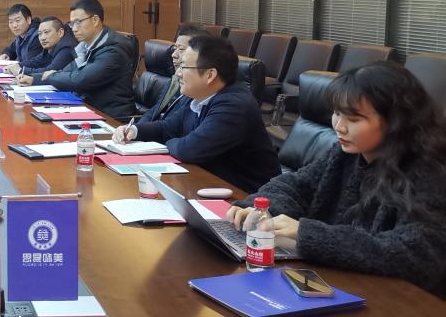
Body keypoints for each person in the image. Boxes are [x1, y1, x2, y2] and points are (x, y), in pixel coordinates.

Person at [226, 63, 446, 297]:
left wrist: (307, 234)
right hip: (340, 282)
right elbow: (295, 185)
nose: (339, 126)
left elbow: (414, 255)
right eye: (337, 113)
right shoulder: (344, 154)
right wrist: (261, 210)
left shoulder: (430, 171)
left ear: (396, 121)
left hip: (399, 299)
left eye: (353, 119)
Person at [113, 35, 279, 192]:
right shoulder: (199, 96)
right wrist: (134, 130)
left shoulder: (234, 106)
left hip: (247, 197)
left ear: (210, 75)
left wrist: (167, 143)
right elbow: (167, 128)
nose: (178, 73)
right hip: (208, 183)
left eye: (184, 67)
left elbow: (189, 150)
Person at [28, 0, 136, 118]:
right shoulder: (86, 46)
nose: (74, 29)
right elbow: (65, 72)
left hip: (112, 119)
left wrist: (51, 76)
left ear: (95, 20)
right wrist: (33, 79)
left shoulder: (113, 50)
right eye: (72, 23)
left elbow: (80, 79)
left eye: (78, 22)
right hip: (89, 110)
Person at [137, 24, 210, 124]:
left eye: (181, 49)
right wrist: (136, 128)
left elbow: (174, 126)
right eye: (174, 48)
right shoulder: (175, 79)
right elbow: (155, 110)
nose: (173, 55)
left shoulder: (195, 89)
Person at [10, 16, 77, 79]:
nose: (42, 38)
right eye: (40, 34)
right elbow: (36, 61)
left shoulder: (67, 48)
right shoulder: (51, 47)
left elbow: (49, 71)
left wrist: (20, 70)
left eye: (46, 32)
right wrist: (18, 65)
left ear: (60, 32)